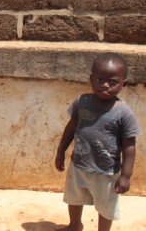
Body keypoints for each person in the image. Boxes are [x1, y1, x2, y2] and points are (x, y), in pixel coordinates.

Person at [55, 52, 141, 231]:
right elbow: (71, 127)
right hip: (78, 165)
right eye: (100, 79)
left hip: (106, 172)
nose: (105, 85)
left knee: (106, 206)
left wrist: (126, 175)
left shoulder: (124, 112)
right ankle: (74, 225)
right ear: (91, 79)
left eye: (113, 81)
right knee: (74, 198)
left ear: (124, 84)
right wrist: (61, 151)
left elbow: (130, 147)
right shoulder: (82, 101)